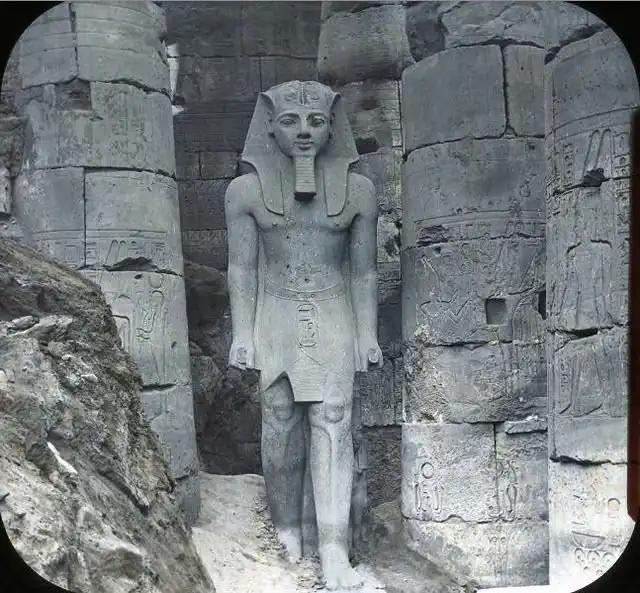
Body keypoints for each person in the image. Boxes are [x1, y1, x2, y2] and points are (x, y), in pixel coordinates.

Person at [225, 80, 382, 590]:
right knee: (279, 419)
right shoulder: (245, 192)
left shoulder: (359, 192)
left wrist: (367, 334)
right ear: (269, 128)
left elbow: (364, 272)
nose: (304, 132)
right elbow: (241, 268)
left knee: (334, 418)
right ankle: (286, 531)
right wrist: (242, 334)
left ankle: (333, 550)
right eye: (290, 121)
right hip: (275, 312)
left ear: (333, 128)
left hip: (334, 311)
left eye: (316, 121)